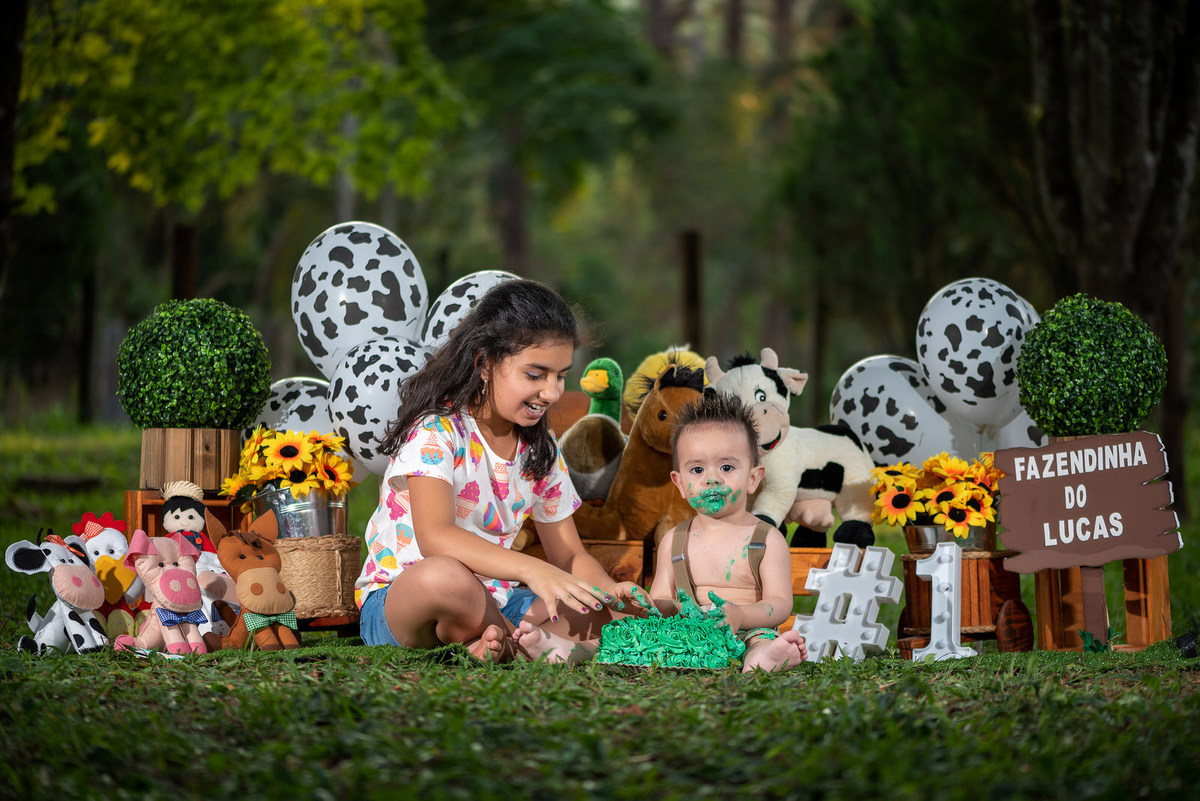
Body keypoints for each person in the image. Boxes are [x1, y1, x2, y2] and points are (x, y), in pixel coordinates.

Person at [355, 278, 643, 661]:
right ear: (485, 364)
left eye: (560, 375)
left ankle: (496, 643)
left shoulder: (540, 451)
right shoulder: (435, 431)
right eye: (536, 375)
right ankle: (524, 646)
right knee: (446, 578)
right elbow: (434, 537)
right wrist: (531, 570)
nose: (554, 392)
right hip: (405, 601)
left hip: (499, 599)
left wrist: (610, 593)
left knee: (601, 614)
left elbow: (570, 557)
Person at [518, 390, 808, 672]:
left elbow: (780, 603)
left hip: (746, 631)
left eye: (727, 467)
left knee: (760, 641)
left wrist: (741, 614)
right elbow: (660, 602)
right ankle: (571, 650)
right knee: (629, 634)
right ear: (679, 483)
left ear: (753, 478)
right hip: (682, 636)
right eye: (697, 470)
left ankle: (763, 658)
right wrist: (649, 606)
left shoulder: (766, 539)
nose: (712, 479)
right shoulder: (675, 541)